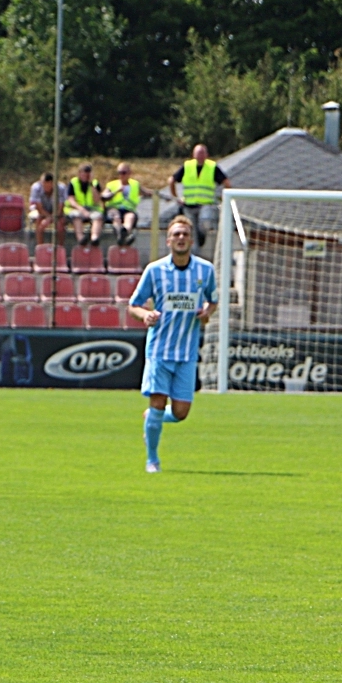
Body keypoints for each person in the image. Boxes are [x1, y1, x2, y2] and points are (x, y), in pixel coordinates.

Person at [128, 215, 217, 473]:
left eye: (185, 235)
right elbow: (133, 304)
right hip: (159, 350)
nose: (180, 238)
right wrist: (146, 315)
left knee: (180, 412)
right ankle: (152, 460)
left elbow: (213, 300)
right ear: (168, 240)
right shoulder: (155, 271)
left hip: (187, 352)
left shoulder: (205, 270)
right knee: (157, 401)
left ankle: (151, 421)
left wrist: (207, 312)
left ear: (191, 240)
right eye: (176, 234)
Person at [169, 144, 231, 249]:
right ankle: (194, 254)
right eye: (198, 153)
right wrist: (176, 198)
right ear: (193, 155)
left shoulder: (212, 167)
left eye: (202, 153)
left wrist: (222, 198)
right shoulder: (187, 166)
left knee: (205, 223)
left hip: (206, 204)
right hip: (189, 205)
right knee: (191, 232)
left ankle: (202, 236)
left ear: (207, 154)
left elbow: (227, 183)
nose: (200, 156)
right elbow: (172, 180)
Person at [101, 162, 152, 247]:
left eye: (123, 173)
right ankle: (120, 235)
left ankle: (125, 233)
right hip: (114, 208)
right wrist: (116, 191)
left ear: (129, 173)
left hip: (128, 210)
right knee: (116, 217)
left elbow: (147, 192)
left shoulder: (135, 184)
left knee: (130, 217)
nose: (121, 175)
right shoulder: (112, 184)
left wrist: (160, 195)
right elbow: (103, 196)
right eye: (119, 173)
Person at [65, 163, 104, 245]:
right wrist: (82, 210)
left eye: (88, 173)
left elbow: (97, 200)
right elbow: (71, 200)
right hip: (77, 208)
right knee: (77, 216)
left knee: (98, 217)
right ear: (79, 173)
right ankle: (81, 238)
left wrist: (91, 185)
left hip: (92, 209)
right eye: (84, 173)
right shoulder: (73, 183)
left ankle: (94, 238)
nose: (86, 175)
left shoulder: (95, 183)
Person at [27, 172, 60, 242]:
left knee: (61, 223)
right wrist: (49, 217)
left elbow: (61, 206)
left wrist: (52, 217)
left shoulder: (60, 188)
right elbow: (39, 208)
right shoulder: (36, 188)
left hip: (54, 210)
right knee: (39, 220)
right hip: (38, 209)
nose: (45, 187)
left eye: (48, 185)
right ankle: (40, 247)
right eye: (43, 185)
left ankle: (60, 249)